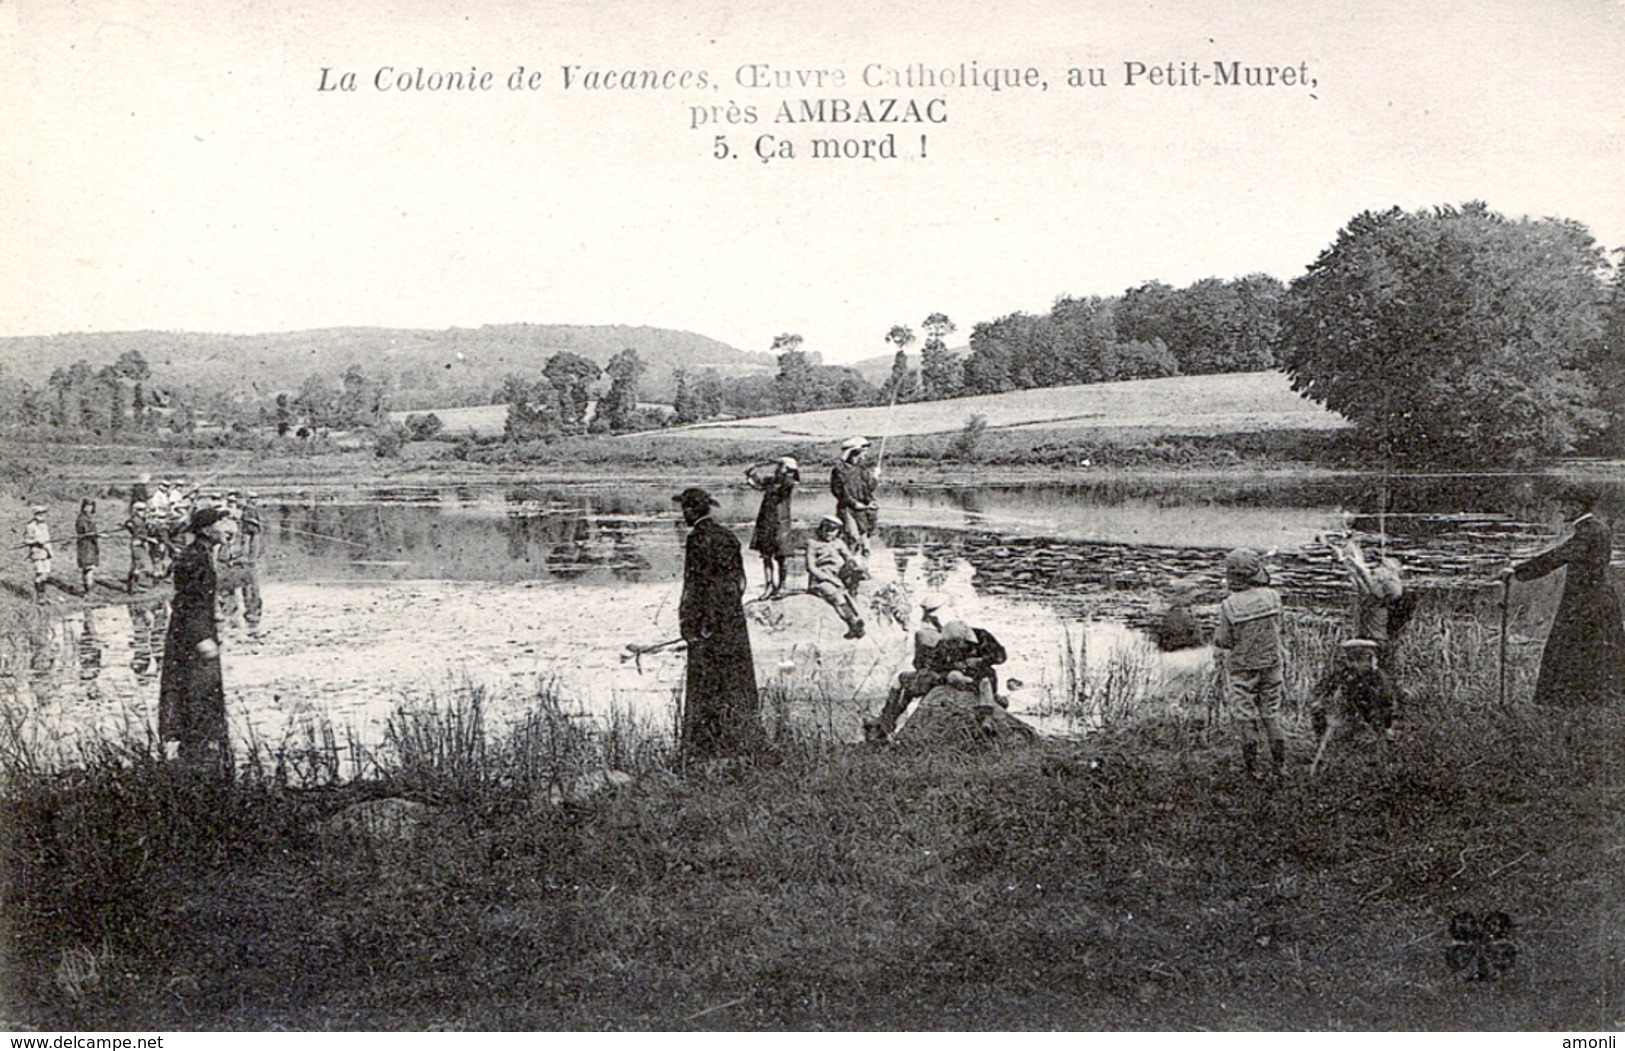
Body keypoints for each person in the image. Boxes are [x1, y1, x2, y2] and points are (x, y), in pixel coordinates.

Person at [1504, 489, 1625, 707]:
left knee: (1568, 648)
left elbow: (1557, 557)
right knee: (1598, 650)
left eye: (1564, 505)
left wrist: (1516, 570)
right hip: (1600, 598)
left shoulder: (1588, 531)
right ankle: (1597, 699)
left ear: (1578, 506)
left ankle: (1563, 702)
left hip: (1585, 601)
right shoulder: (1597, 528)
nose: (1560, 510)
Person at [673, 487, 762, 762]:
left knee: (706, 681)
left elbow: (694, 586)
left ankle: (705, 748)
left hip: (707, 624)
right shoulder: (728, 536)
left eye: (684, 509)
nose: (683, 515)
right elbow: (740, 582)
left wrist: (690, 624)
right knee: (736, 677)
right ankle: (741, 739)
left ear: (690, 510)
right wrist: (728, 609)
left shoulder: (697, 539)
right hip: (732, 619)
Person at [864, 594, 1005, 742]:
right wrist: (947, 672)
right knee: (905, 684)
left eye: (960, 643)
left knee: (985, 681)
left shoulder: (982, 636)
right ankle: (887, 722)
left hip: (977, 678)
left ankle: (886, 723)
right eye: (954, 643)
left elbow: (1000, 657)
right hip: (949, 677)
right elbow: (930, 666)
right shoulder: (942, 644)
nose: (958, 646)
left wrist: (980, 661)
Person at [160, 506, 237, 775]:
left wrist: (214, 617)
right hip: (191, 637)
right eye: (222, 523)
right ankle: (196, 750)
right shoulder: (194, 559)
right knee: (195, 687)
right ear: (206, 530)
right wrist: (202, 637)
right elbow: (187, 603)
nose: (228, 528)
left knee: (201, 687)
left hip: (197, 631)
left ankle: (202, 749)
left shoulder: (203, 554)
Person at [1213, 547, 1287, 782]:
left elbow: (1224, 640)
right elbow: (1278, 627)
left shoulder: (1229, 605)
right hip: (1272, 663)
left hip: (1242, 668)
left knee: (1245, 715)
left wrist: (1218, 639)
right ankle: (1279, 766)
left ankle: (1253, 769)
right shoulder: (1273, 596)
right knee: (1270, 713)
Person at [1308, 638, 1401, 777]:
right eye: (1351, 658)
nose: (1353, 662)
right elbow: (1325, 686)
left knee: (1374, 745)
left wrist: (1387, 726)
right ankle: (1325, 753)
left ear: (1369, 659)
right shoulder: (1344, 673)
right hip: (1345, 715)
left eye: (1359, 658)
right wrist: (1320, 701)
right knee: (1318, 712)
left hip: (1368, 715)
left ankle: (1377, 763)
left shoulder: (1378, 677)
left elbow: (1386, 702)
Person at [1332, 537, 1413, 666]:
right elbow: (1359, 578)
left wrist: (1349, 560)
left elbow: (1363, 575)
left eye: (1382, 567)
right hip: (1367, 637)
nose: (1377, 569)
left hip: (1375, 640)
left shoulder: (1377, 595)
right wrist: (1346, 560)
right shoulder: (1374, 596)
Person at [745, 456, 800, 599]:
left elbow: (785, 485)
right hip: (766, 521)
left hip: (781, 524)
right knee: (766, 556)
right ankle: (769, 585)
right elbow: (757, 484)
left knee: (781, 557)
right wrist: (751, 473)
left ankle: (782, 586)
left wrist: (783, 470)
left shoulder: (788, 482)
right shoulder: (773, 480)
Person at [805, 514, 865, 638]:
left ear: (838, 532)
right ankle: (853, 622)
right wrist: (829, 579)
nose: (829, 534)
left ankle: (857, 615)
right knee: (836, 595)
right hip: (822, 580)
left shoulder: (839, 543)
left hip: (839, 577)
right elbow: (811, 567)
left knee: (854, 582)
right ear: (821, 529)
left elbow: (849, 558)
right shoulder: (813, 544)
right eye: (826, 530)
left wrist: (855, 567)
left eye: (833, 531)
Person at [830, 435, 879, 561]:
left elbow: (869, 489)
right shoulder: (839, 470)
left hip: (863, 510)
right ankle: (849, 568)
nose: (865, 456)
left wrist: (875, 478)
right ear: (854, 452)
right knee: (852, 538)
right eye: (863, 452)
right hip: (847, 509)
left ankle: (863, 570)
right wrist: (854, 503)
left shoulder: (862, 469)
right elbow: (839, 492)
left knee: (865, 541)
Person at [1155, 578, 1205, 651]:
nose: (1193, 598)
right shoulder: (1182, 612)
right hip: (1182, 649)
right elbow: (1192, 629)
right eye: (1191, 595)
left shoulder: (1172, 611)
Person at [123, 502, 155, 593]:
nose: (144, 512)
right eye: (141, 510)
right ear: (135, 511)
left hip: (140, 544)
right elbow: (137, 534)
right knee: (137, 566)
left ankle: (132, 586)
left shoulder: (140, 520)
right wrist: (149, 539)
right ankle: (133, 587)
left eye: (144, 510)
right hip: (137, 544)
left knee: (136, 565)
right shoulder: (136, 521)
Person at [23, 505, 53, 603]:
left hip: (46, 552)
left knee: (46, 574)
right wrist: (36, 541)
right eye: (38, 513)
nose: (41, 515)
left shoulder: (45, 525)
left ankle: (43, 595)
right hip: (37, 553)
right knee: (40, 573)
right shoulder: (30, 526)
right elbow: (26, 540)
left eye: (43, 513)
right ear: (35, 514)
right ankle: (40, 597)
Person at [75, 498, 101, 596]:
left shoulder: (88, 517)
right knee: (88, 568)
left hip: (91, 545)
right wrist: (98, 535)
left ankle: (89, 590)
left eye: (90, 507)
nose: (88, 509)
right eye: (87, 507)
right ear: (83, 507)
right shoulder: (82, 519)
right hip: (85, 545)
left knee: (89, 568)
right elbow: (86, 532)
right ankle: (88, 591)